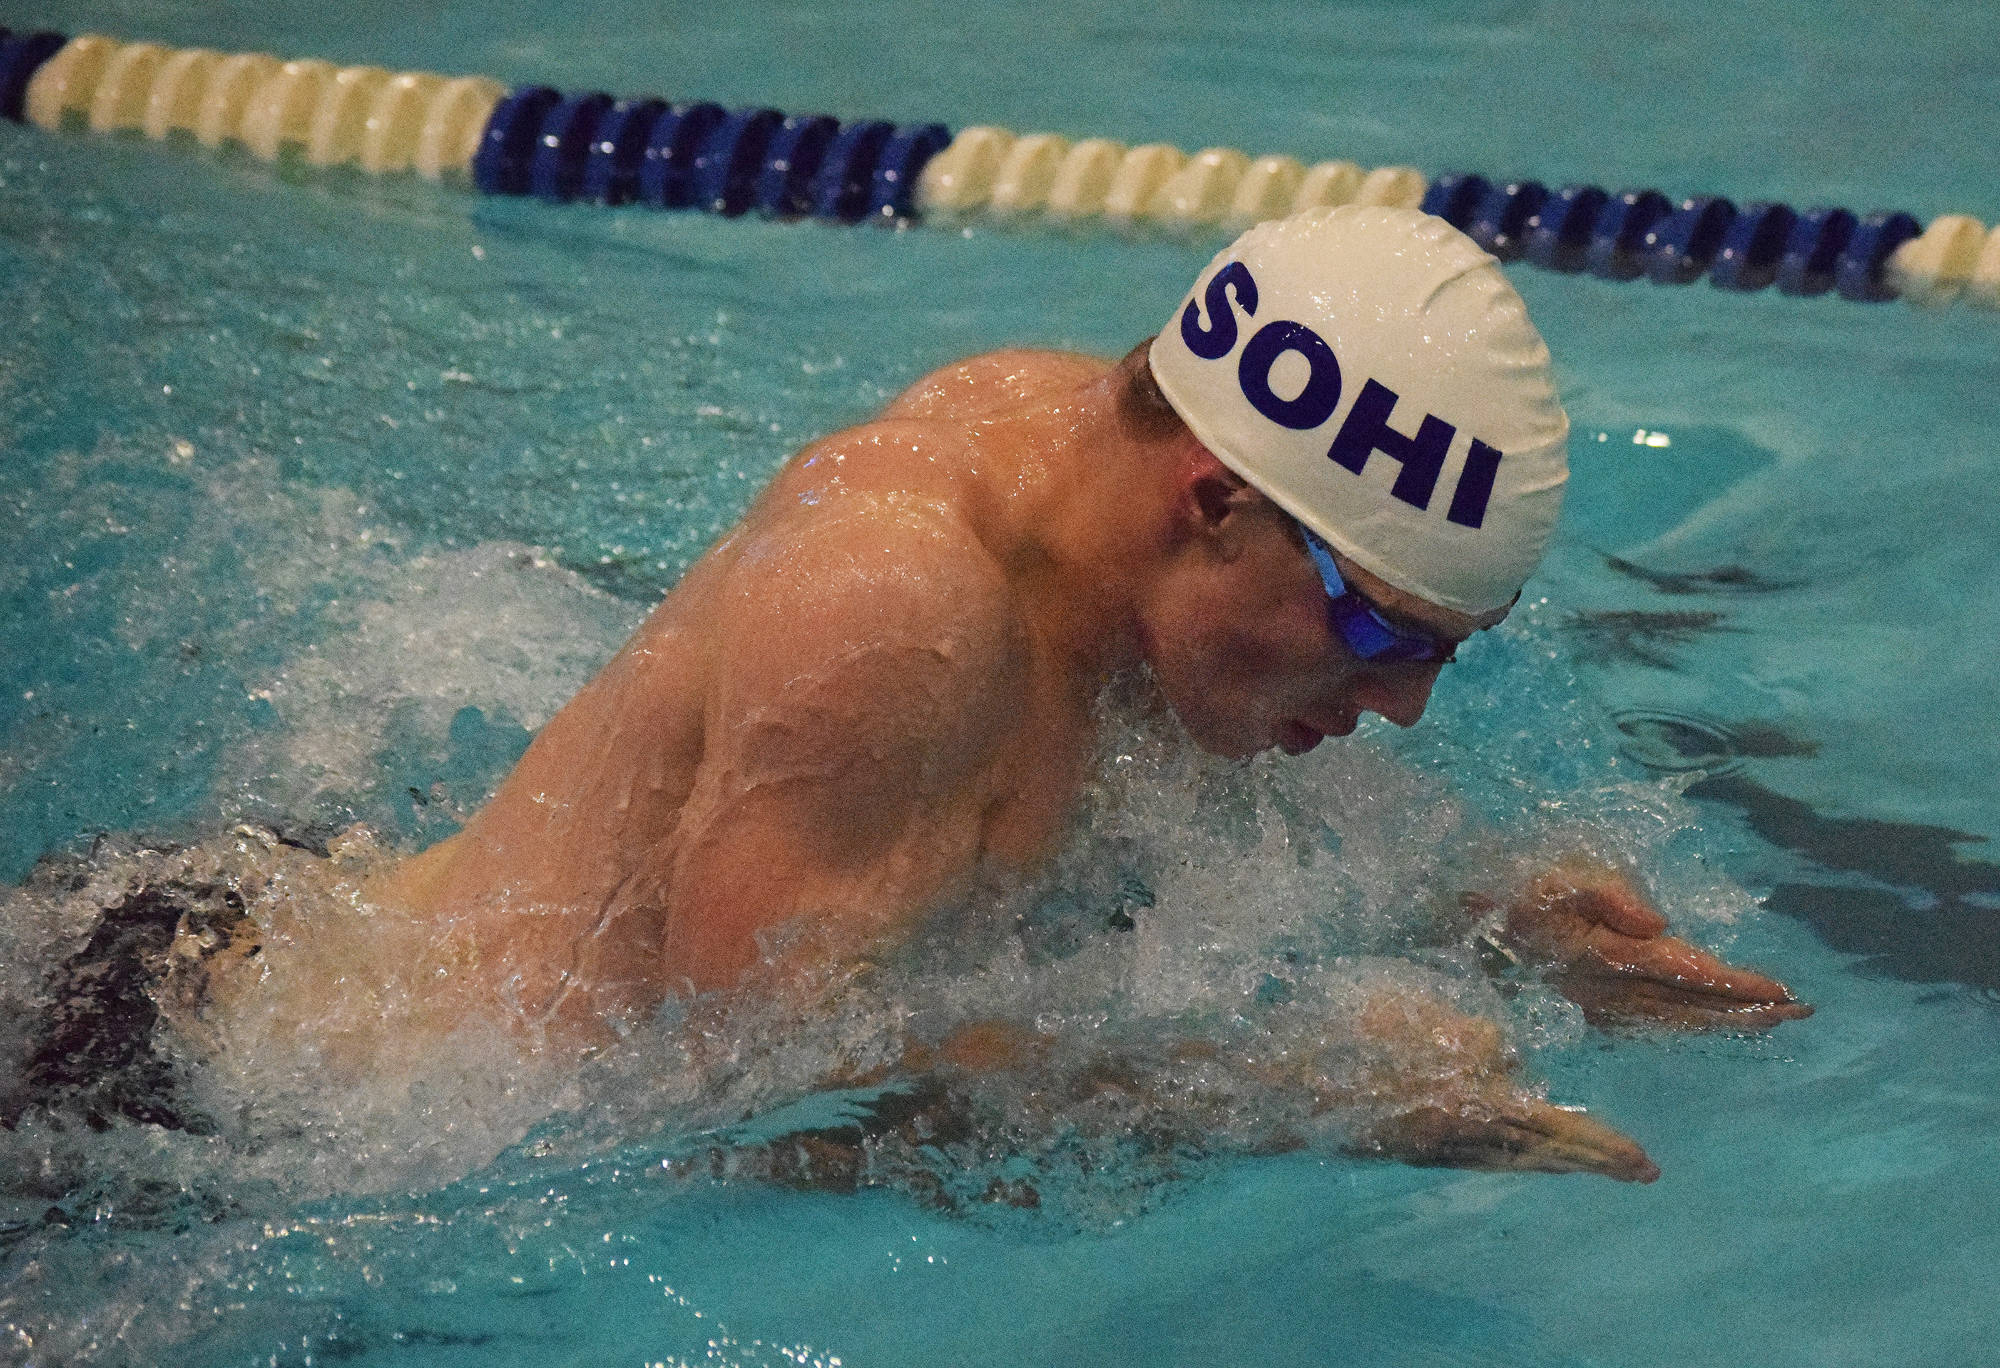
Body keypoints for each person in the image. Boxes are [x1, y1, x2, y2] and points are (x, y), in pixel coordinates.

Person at [23, 207, 1804, 1174]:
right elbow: (736, 1102)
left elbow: (1150, 840)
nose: (1404, 708)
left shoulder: (1117, 531)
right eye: (1382, 637)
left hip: (306, 932)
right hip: (198, 1093)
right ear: (1216, 505)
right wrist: (1279, 1093)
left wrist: (1479, 907)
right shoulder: (899, 615)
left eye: (1442, 654)